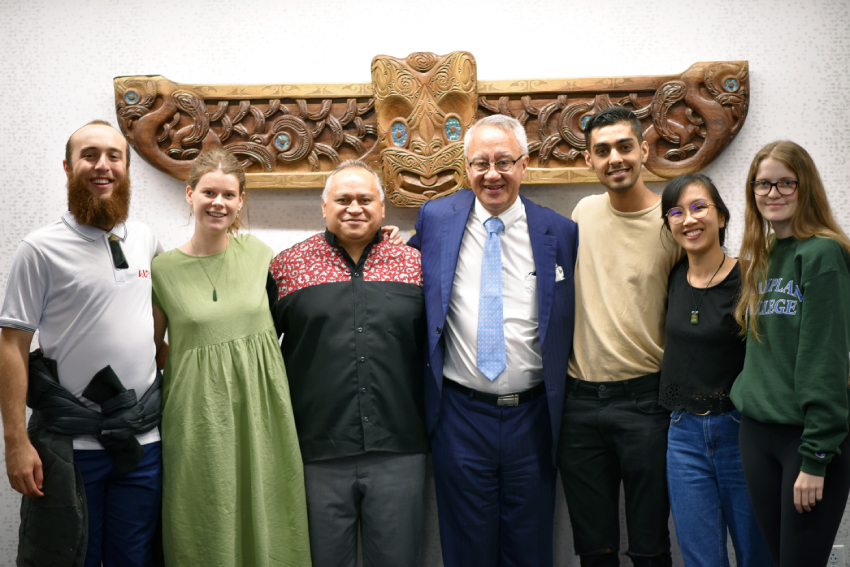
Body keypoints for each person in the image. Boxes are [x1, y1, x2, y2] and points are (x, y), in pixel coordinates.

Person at [407, 114, 578, 567]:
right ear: (466, 168)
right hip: (460, 414)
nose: (492, 174)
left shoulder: (560, 232)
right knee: (467, 548)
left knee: (530, 545)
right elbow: (403, 276)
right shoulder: (436, 218)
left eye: (504, 161)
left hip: (534, 417)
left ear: (525, 165)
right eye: (480, 163)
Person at [0, 120, 163, 567]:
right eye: (89, 155)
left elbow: (157, 328)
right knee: (72, 557)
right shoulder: (39, 248)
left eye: (114, 156)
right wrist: (15, 441)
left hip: (143, 441)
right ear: (68, 167)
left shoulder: (147, 240)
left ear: (127, 168)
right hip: (70, 448)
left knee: (136, 557)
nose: (102, 165)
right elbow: (12, 346)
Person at [151, 149, 311, 566]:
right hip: (197, 415)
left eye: (228, 194)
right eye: (208, 192)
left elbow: (320, 277)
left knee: (270, 506)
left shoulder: (259, 254)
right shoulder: (163, 270)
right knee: (204, 510)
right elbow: (152, 348)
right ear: (190, 194)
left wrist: (384, 239)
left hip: (261, 410)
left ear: (241, 200)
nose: (217, 202)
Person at [268, 160, 428, 567]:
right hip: (316, 452)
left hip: (400, 447)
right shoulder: (286, 266)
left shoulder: (415, 266)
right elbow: (262, 353)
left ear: (382, 208)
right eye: (343, 199)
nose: (354, 207)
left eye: (364, 199)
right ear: (324, 207)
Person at [557, 106, 680, 567]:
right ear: (589, 160)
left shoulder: (674, 223)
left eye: (625, 147)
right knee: (594, 550)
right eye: (602, 150)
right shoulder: (583, 212)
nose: (615, 159)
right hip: (580, 405)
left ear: (644, 151)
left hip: (647, 402)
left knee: (650, 547)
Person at [730, 141, 850, 567]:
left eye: (786, 182)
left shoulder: (824, 254)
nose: (773, 193)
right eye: (763, 184)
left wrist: (816, 456)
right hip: (756, 434)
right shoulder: (762, 256)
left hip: (804, 440)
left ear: (806, 188)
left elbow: (825, 358)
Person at [658, 173, 771, 567]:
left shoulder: (753, 277)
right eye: (675, 212)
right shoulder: (672, 277)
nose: (687, 219)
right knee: (701, 559)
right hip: (683, 436)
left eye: (698, 207)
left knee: (757, 554)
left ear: (721, 216)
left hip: (741, 434)